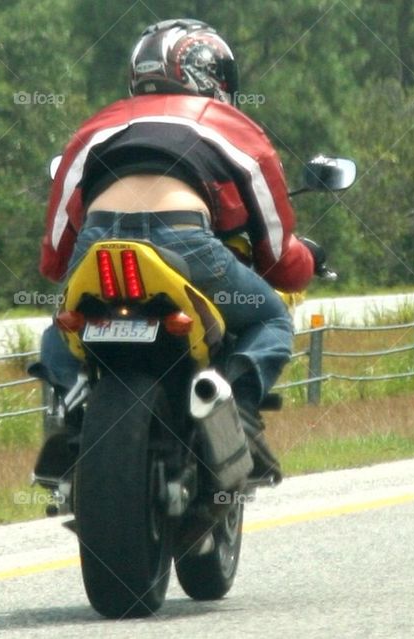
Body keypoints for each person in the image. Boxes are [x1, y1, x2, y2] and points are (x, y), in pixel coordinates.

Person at [37, 18, 323, 485]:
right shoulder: (234, 127)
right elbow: (276, 255)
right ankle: (237, 410)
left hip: (101, 243)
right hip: (184, 239)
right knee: (270, 318)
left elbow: (53, 258)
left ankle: (70, 409)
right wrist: (307, 260)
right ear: (212, 77)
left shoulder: (96, 127)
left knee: (61, 323)